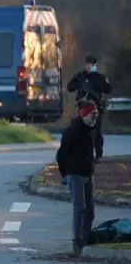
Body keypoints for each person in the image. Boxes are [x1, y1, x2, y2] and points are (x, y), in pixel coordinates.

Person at [56, 101, 99, 257]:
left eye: (96, 114)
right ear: (84, 115)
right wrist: (65, 174)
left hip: (89, 173)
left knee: (90, 210)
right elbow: (61, 155)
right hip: (75, 173)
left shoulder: (92, 130)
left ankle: (85, 237)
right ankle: (77, 240)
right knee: (79, 208)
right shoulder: (71, 132)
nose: (95, 117)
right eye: (92, 114)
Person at [67, 55, 112, 162]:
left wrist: (106, 82)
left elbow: (108, 90)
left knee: (96, 132)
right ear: (85, 65)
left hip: (96, 108)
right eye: (89, 65)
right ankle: (83, 154)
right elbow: (70, 88)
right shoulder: (80, 76)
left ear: (95, 65)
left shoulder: (99, 78)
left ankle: (98, 154)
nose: (90, 67)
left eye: (93, 65)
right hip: (83, 107)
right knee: (82, 132)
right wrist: (78, 84)